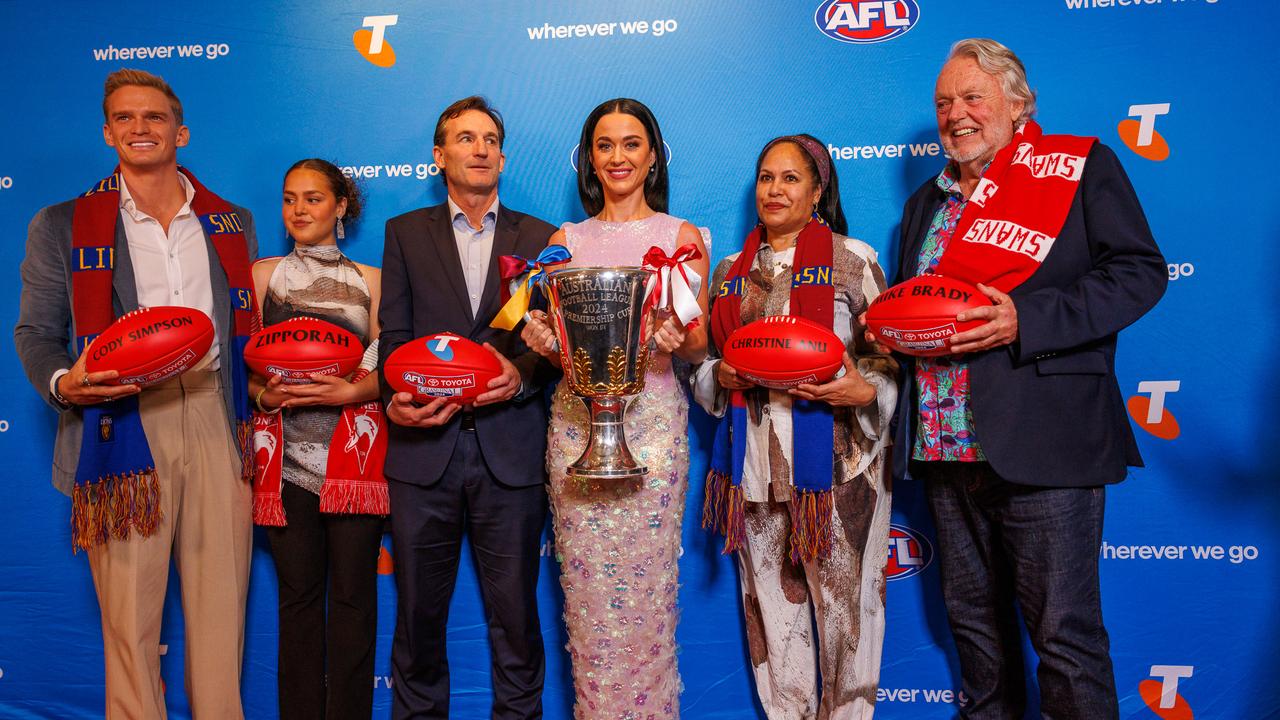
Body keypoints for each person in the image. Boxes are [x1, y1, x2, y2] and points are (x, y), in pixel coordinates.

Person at [887, 39, 1167, 719]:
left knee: (1065, 644)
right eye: (944, 102)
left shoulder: (1077, 168)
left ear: (1018, 104)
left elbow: (1139, 273)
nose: (956, 114)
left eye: (972, 97)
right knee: (978, 644)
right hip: (947, 453)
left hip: (1045, 447)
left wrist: (1026, 321)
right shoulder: (928, 202)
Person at [14, 68, 258, 718]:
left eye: (153, 117)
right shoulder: (62, 223)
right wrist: (67, 383)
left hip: (215, 417)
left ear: (180, 130)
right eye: (125, 118)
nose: (139, 128)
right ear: (107, 132)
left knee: (219, 613)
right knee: (129, 622)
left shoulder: (232, 223)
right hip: (118, 423)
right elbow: (37, 332)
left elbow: (246, 333)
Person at [693, 135, 897, 719]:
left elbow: (887, 357)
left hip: (839, 470)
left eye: (789, 178)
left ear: (817, 190)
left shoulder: (853, 260)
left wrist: (866, 390)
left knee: (847, 619)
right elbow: (705, 371)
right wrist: (722, 375)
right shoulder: (733, 271)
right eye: (765, 178)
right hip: (752, 469)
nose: (774, 190)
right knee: (772, 625)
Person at [521, 97, 711, 719]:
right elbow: (562, 355)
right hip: (577, 430)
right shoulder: (564, 243)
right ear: (589, 158)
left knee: (648, 597)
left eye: (632, 143)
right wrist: (547, 344)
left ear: (653, 155)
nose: (619, 157)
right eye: (605, 145)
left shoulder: (679, 239)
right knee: (589, 601)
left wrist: (672, 334)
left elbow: (701, 342)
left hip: (652, 430)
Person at [378, 96, 557, 720]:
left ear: (502, 157)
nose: (479, 148)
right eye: (464, 138)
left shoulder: (540, 238)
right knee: (418, 620)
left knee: (515, 618)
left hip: (511, 453)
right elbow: (392, 339)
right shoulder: (403, 233)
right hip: (423, 454)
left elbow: (555, 344)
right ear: (440, 154)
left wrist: (523, 376)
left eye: (489, 140)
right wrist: (392, 399)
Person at [248, 158, 386, 720]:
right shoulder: (264, 276)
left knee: (355, 602)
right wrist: (264, 397)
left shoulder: (371, 280)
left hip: (354, 463)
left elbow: (385, 362)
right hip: (285, 467)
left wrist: (348, 394)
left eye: (312, 198)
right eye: (289, 199)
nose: (298, 210)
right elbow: (248, 365)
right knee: (298, 604)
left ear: (341, 206)